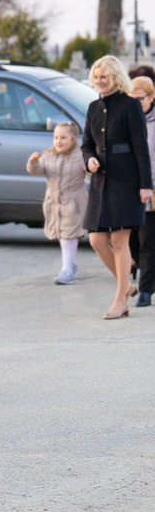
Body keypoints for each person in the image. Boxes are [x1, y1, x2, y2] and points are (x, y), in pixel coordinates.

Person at [81, 56, 153, 319]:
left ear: (115, 77)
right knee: (97, 240)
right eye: (97, 77)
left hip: (127, 181)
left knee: (119, 240)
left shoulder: (131, 105)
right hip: (101, 182)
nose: (100, 81)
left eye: (104, 76)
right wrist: (88, 159)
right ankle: (127, 286)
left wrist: (146, 185)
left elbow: (141, 149)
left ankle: (120, 300)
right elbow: (86, 143)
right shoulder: (92, 108)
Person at [26, 122, 88, 285]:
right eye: (55, 138)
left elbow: (89, 172)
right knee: (61, 234)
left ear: (74, 139)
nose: (58, 141)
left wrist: (93, 165)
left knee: (69, 234)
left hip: (74, 202)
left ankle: (66, 270)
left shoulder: (80, 155)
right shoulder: (48, 156)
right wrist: (33, 163)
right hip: (53, 202)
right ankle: (71, 264)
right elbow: (38, 171)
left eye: (63, 138)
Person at [129, 76, 155, 307]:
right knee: (131, 241)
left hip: (151, 191)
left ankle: (146, 289)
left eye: (140, 99)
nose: (136, 104)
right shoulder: (127, 120)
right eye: (132, 99)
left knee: (147, 240)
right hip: (128, 190)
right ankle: (146, 271)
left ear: (151, 97)